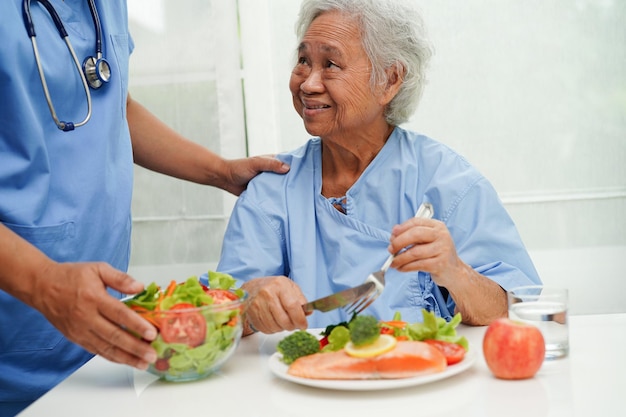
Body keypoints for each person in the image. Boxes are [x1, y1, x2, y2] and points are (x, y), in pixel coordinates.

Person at [0, 1, 288, 415]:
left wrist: (221, 172)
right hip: (15, 336)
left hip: (98, 340)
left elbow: (113, 104)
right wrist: (44, 281)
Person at [216, 0, 541, 336]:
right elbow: (215, 315)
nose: (308, 83)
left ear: (390, 80)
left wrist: (456, 272)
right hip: (306, 383)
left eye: (330, 64)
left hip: (427, 382)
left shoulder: (448, 181)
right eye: (303, 61)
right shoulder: (271, 190)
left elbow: (518, 309)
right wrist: (247, 305)